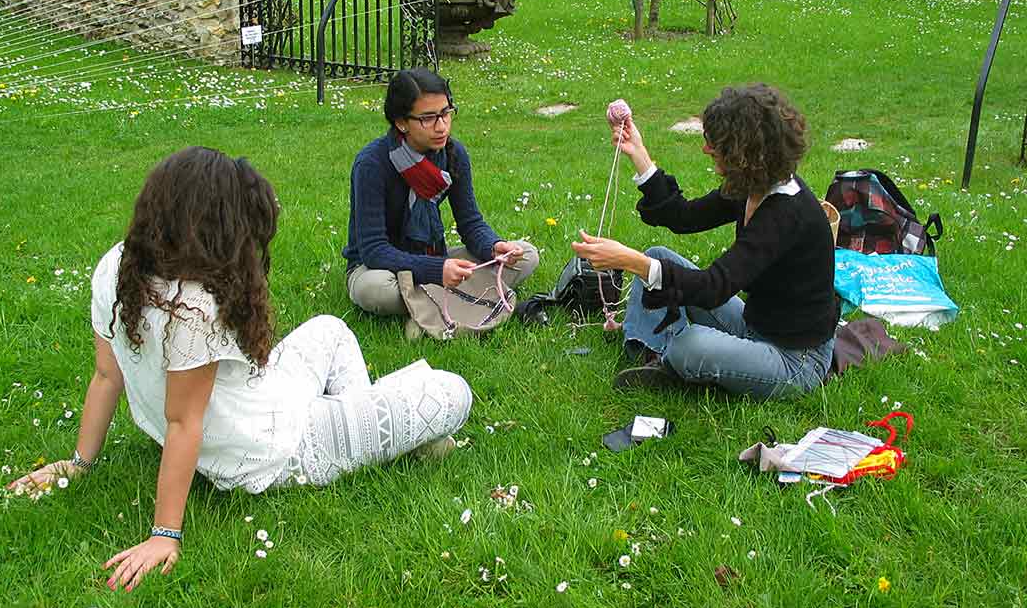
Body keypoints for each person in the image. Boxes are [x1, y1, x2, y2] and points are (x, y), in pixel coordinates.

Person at [8, 147, 472, 591]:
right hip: (277, 448)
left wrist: (79, 463)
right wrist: (163, 535)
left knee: (330, 329)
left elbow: (107, 375)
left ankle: (367, 426)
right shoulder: (193, 306)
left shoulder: (116, 264)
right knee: (452, 392)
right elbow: (182, 422)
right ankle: (380, 436)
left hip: (267, 399)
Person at [572, 84, 838, 399]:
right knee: (657, 256)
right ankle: (651, 355)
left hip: (795, 360)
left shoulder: (787, 213)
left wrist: (630, 262)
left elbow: (714, 286)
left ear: (742, 152)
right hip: (755, 326)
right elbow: (684, 217)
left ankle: (674, 356)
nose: (706, 149)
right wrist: (638, 153)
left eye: (712, 143)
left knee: (690, 343)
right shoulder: (753, 185)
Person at [343, 68, 538, 318]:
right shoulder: (372, 163)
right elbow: (373, 249)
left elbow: (470, 223)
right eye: (428, 118)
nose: (441, 126)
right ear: (401, 122)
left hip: (433, 256)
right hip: (379, 268)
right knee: (376, 292)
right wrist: (437, 270)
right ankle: (458, 295)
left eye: (446, 113)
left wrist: (494, 246)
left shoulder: (454, 154)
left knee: (526, 255)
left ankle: (427, 301)